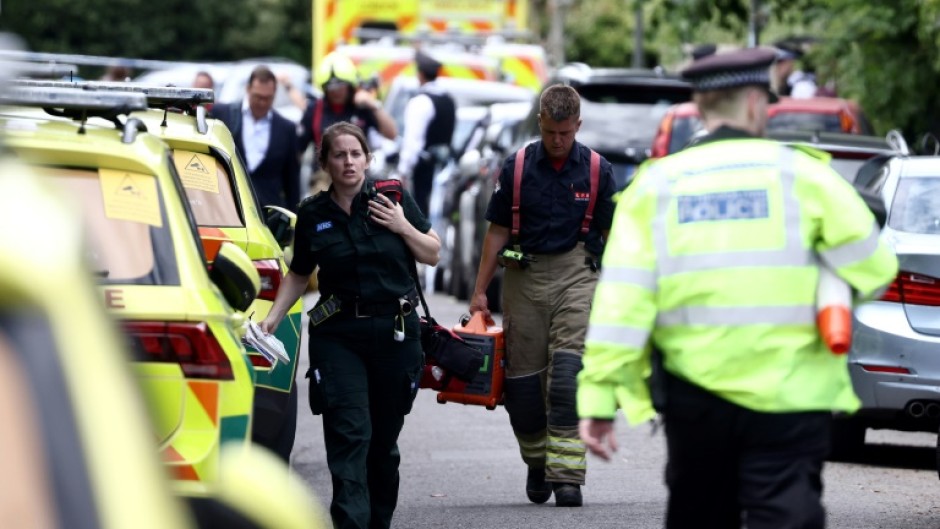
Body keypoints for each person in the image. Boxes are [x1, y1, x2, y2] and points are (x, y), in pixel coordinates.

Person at [577, 48, 898, 529]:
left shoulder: (655, 187)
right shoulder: (805, 176)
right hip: (791, 396)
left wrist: (600, 400)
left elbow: (622, 305)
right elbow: (874, 269)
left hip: (695, 401)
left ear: (702, 108)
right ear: (754, 103)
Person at [260, 121, 440, 529]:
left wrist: (401, 225)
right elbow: (298, 273)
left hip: (395, 336)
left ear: (367, 159)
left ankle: (378, 521)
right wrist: (272, 318)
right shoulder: (312, 213)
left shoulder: (393, 198)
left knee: (382, 444)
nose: (348, 162)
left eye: (355, 154)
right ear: (325, 161)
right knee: (349, 435)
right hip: (339, 336)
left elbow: (433, 252)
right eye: (339, 155)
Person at [469, 84, 616, 508]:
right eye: (551, 132)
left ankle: (568, 477)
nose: (557, 141)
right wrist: (480, 291)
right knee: (524, 391)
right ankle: (537, 462)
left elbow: (610, 235)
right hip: (524, 277)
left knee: (569, 376)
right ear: (540, 123)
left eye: (566, 134)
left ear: (578, 126)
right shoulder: (515, 168)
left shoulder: (597, 170)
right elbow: (496, 232)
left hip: (577, 275)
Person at [298, 51, 396, 193]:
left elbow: (391, 133)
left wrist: (372, 104)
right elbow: (297, 150)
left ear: (350, 85)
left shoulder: (362, 108)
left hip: (358, 177)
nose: (336, 90)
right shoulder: (314, 110)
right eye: (331, 86)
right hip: (324, 179)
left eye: (340, 85)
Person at [210, 65, 301, 212]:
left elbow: (292, 182)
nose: (262, 103)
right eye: (258, 97)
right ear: (248, 89)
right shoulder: (222, 115)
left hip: (269, 215)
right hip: (226, 210)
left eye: (268, 98)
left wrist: (294, 221)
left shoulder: (287, 129)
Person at [393, 49, 456, 216]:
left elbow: (413, 143)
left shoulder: (420, 102)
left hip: (423, 171)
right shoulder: (448, 100)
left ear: (420, 74)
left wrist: (403, 172)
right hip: (443, 169)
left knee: (418, 216)